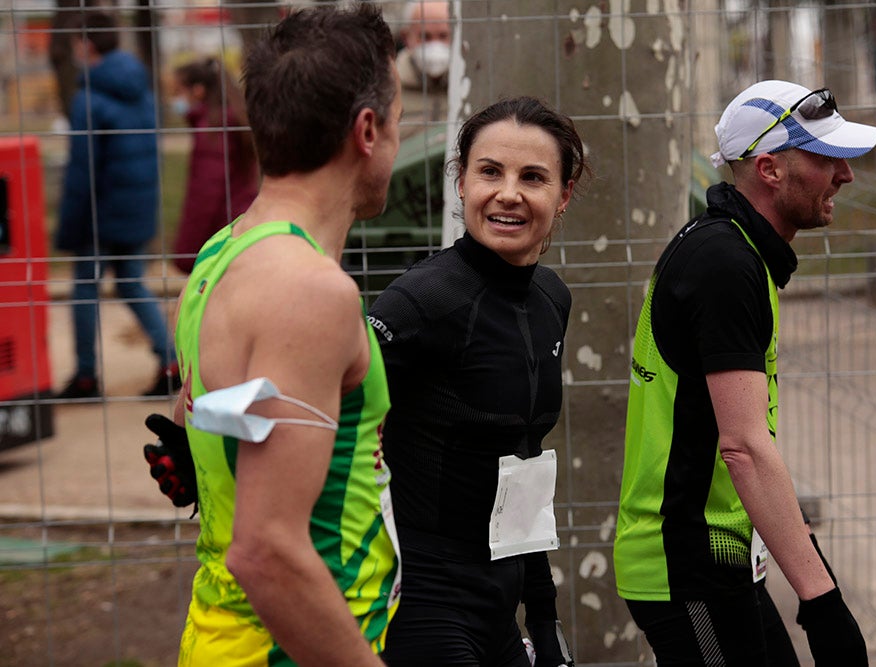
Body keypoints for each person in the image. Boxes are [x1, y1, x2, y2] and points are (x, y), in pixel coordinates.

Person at [613, 80, 876, 666]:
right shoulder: (726, 262)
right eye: (826, 158)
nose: (846, 175)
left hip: (720, 555)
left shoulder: (738, 250)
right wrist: (822, 600)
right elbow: (744, 448)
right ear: (769, 169)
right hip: (687, 564)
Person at [166, 5, 402, 665]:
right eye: (400, 122)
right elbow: (266, 549)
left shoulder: (220, 256)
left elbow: (206, 427)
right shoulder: (309, 291)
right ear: (366, 130)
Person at [368, 96, 587, 667]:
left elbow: (523, 465)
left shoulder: (551, 300)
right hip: (421, 599)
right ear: (461, 182)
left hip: (503, 600)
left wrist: (543, 617)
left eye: (533, 177)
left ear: (563, 195)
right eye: (490, 171)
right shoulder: (421, 300)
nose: (508, 193)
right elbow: (321, 415)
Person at [55, 10, 176, 399]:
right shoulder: (140, 89)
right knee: (131, 282)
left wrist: (69, 225)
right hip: (136, 207)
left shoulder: (88, 97)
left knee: (85, 289)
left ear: (86, 45)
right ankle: (171, 360)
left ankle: (86, 376)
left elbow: (81, 170)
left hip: (99, 213)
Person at [169, 57, 259, 274]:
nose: (175, 99)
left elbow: (205, 194)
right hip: (242, 223)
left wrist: (186, 251)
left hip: (222, 233)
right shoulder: (233, 118)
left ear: (198, 91)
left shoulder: (212, 130)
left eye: (179, 91)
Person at [396, 0, 451, 139]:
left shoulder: (472, 87)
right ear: (406, 38)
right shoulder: (389, 88)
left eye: (443, 36)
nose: (435, 45)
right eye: (425, 37)